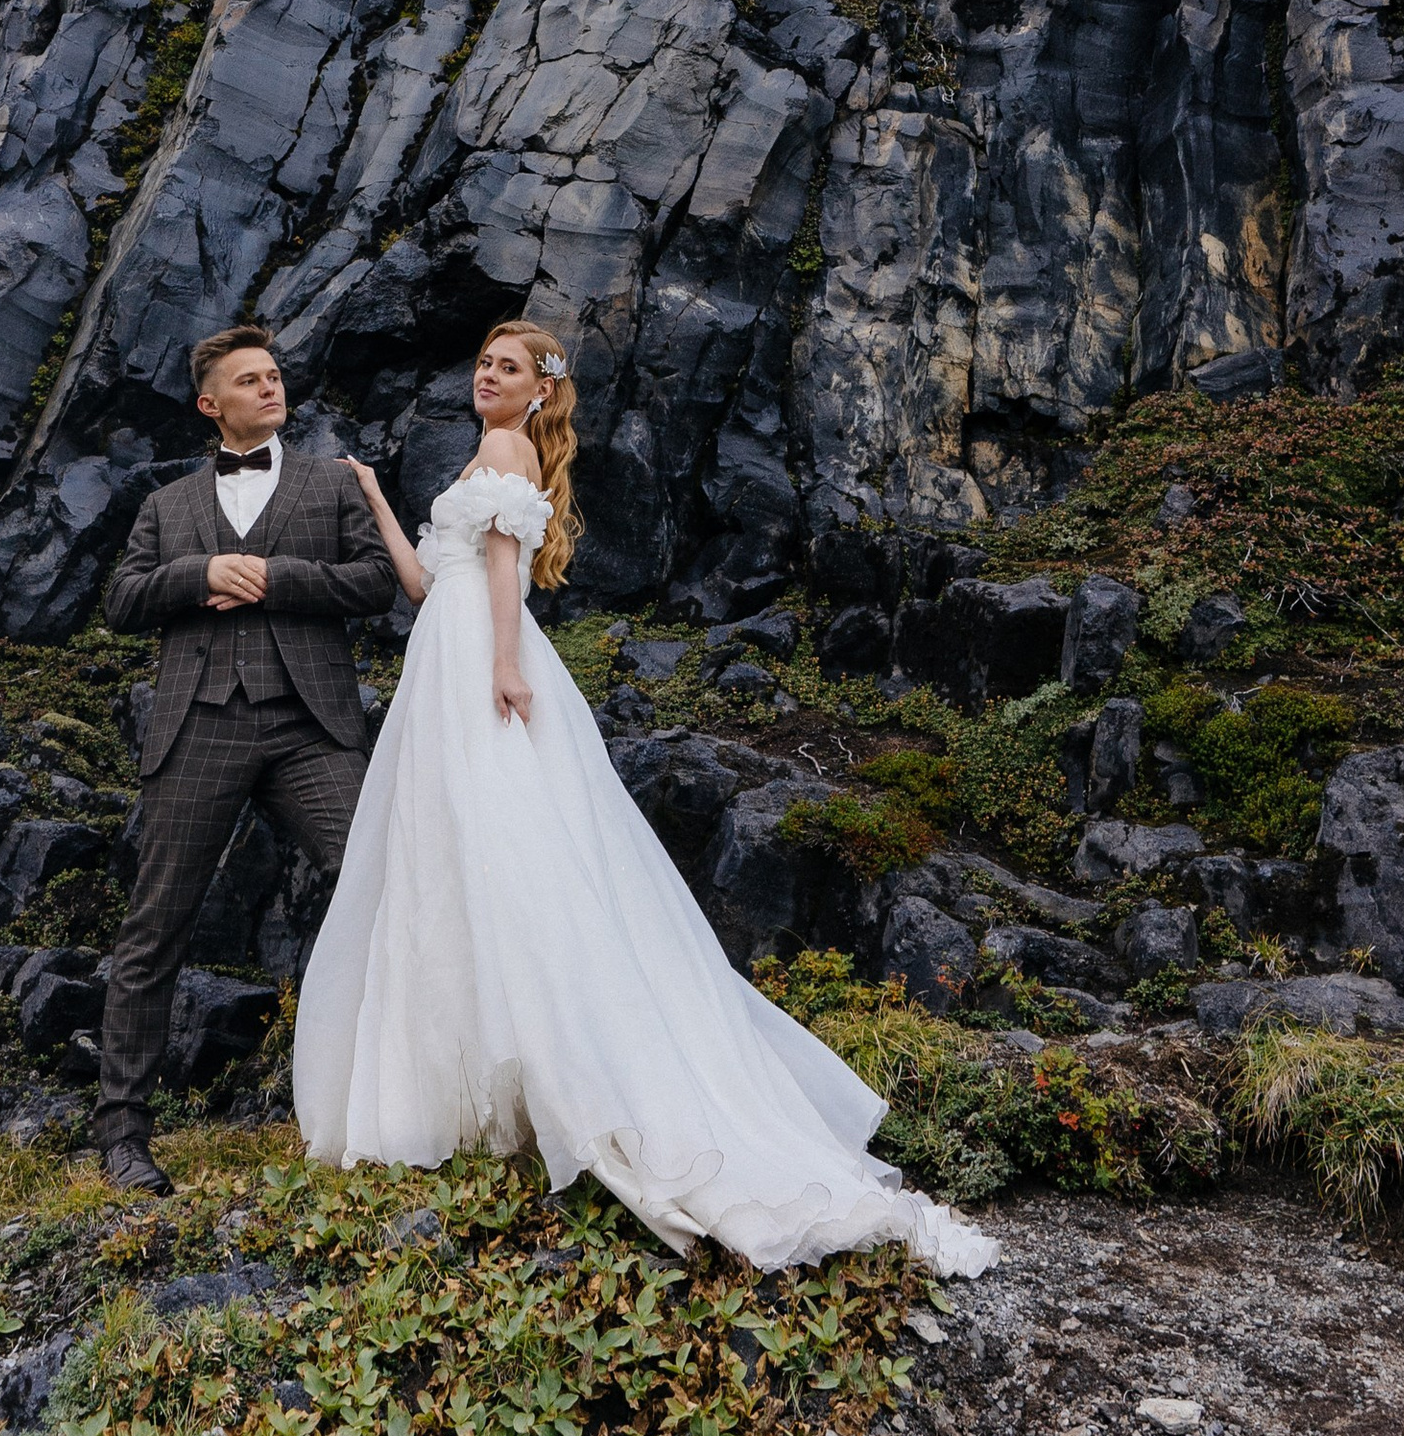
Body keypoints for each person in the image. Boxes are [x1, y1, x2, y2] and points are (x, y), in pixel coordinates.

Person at [293, 317, 998, 1276]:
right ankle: (493, 1095)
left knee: (484, 861)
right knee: (472, 863)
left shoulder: (505, 449)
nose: (487, 378)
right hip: (442, 657)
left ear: (539, 392)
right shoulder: (481, 457)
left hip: (474, 665)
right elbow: (422, 584)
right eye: (482, 363)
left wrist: (503, 665)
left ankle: (510, 1091)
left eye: (506, 368)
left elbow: (504, 577)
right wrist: (376, 495)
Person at [92, 322, 398, 1194]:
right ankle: (122, 1137)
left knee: (377, 883)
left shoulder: (328, 486)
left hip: (310, 723)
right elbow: (121, 600)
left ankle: (382, 1103)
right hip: (199, 726)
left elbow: (376, 582)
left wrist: (278, 576)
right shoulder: (166, 507)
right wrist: (198, 576)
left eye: (275, 377)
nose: (271, 389)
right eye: (250, 380)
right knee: (155, 927)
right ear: (209, 403)